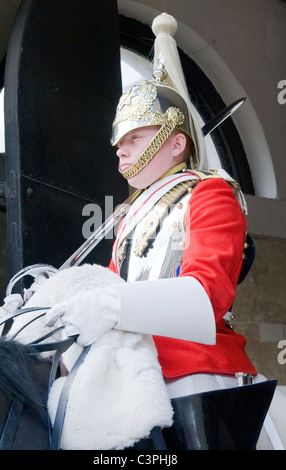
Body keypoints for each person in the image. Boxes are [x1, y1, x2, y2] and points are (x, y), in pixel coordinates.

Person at [45, 13, 284, 449]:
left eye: (135, 135)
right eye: (118, 139)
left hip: (192, 367)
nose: (120, 146)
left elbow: (206, 296)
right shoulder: (128, 215)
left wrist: (113, 304)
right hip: (130, 369)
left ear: (176, 141)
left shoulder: (210, 193)